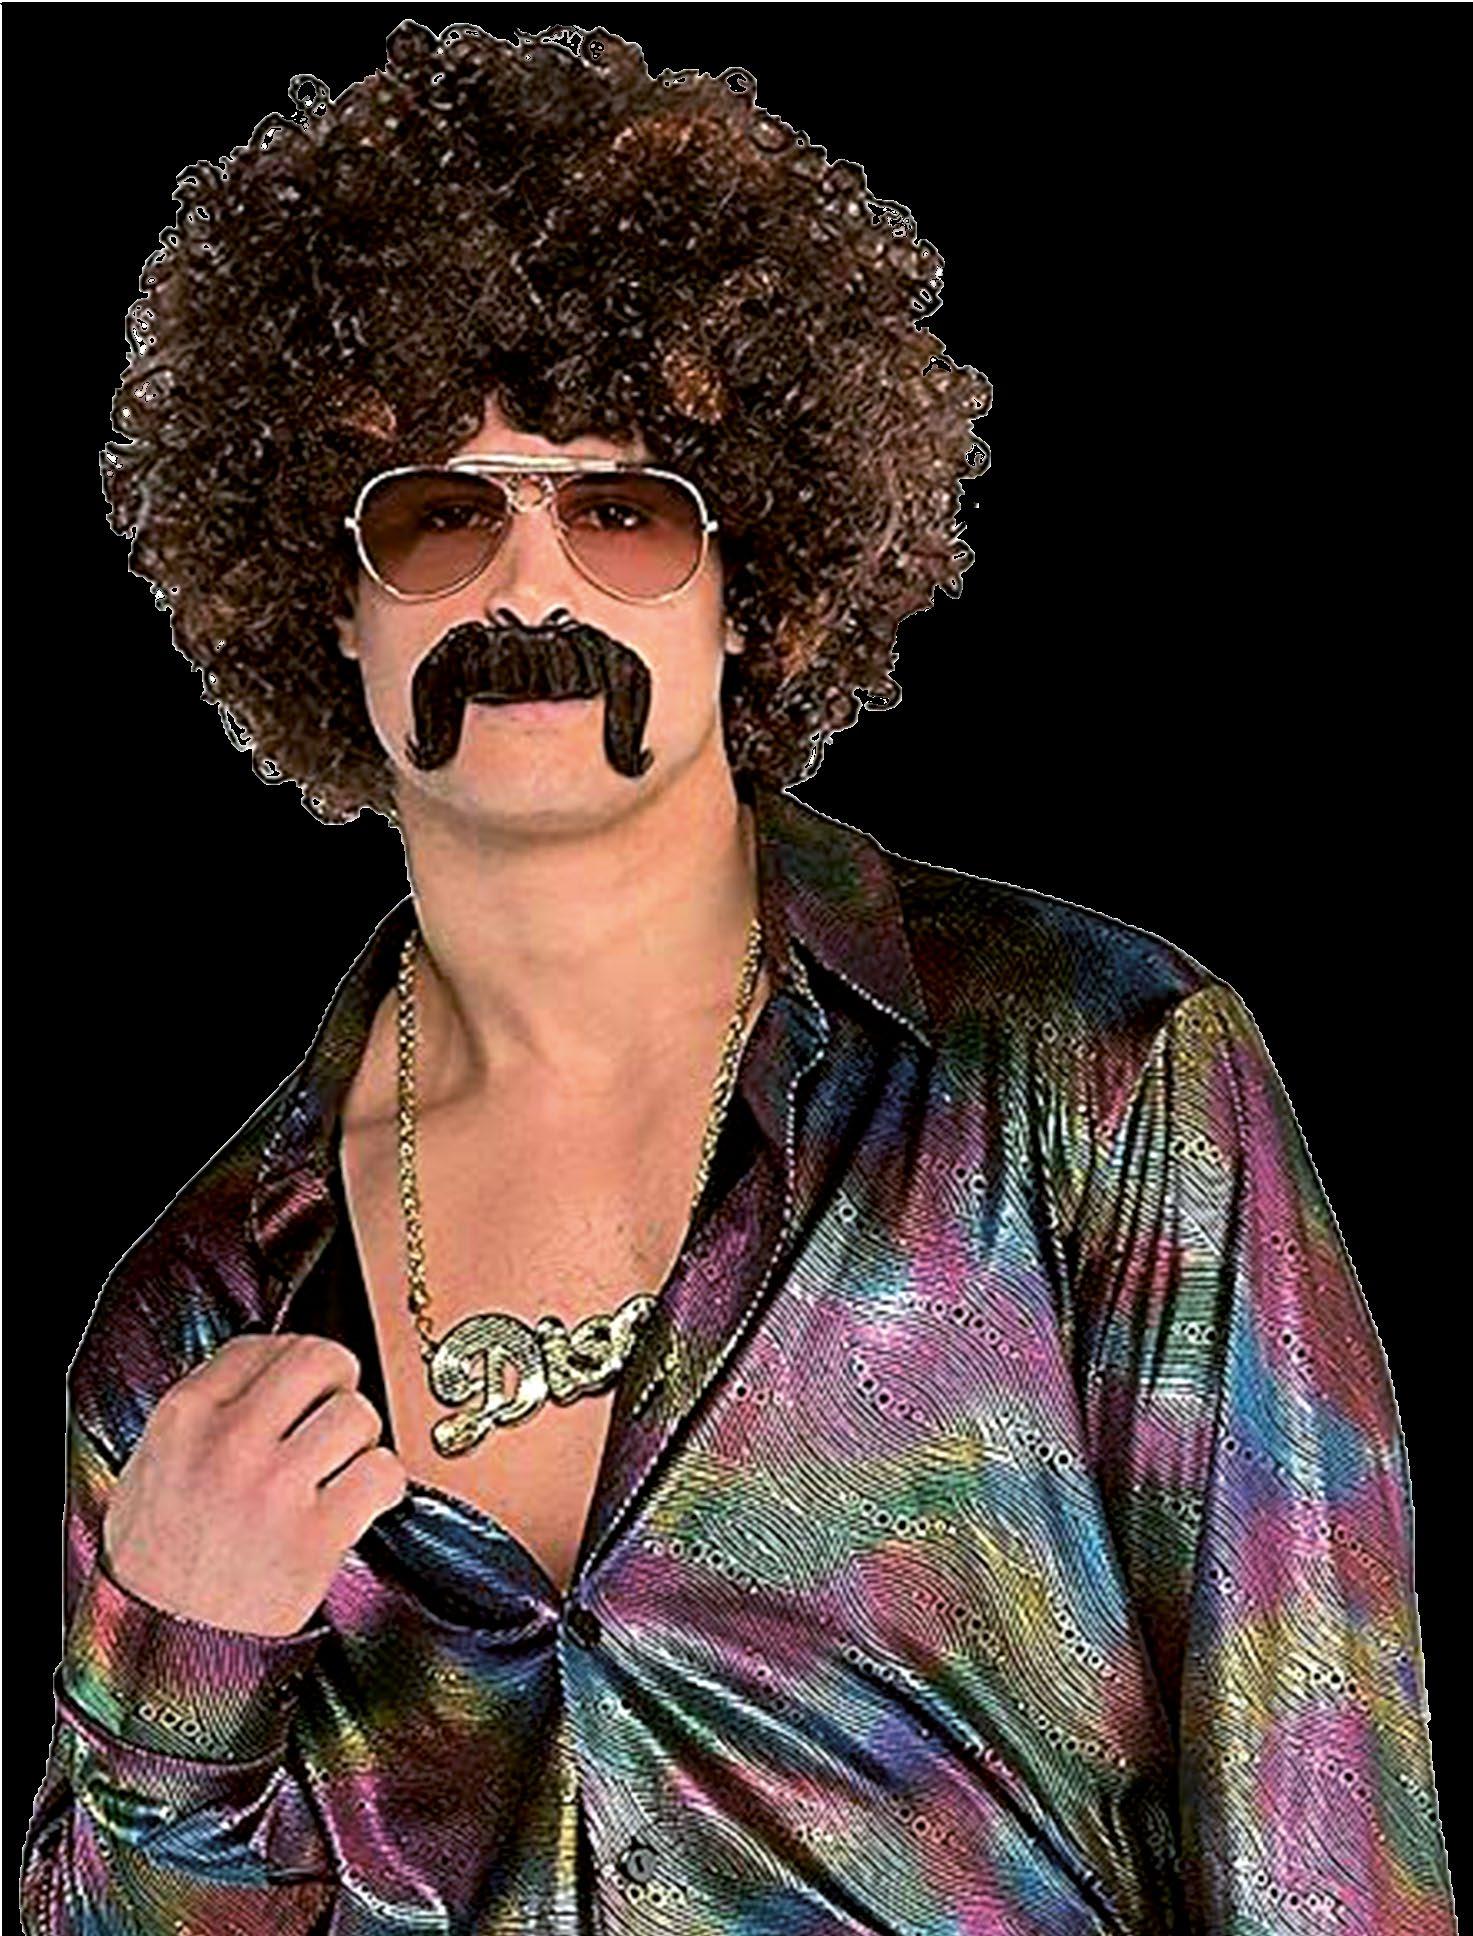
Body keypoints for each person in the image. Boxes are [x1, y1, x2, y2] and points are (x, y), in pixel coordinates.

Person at [21, 23, 1454, 1936]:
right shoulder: (198, 1318)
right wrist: (173, 1679)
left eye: (623, 512)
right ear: (325, 600)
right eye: (439, 514)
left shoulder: (1093, 1074)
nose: (528, 586)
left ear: (746, 590)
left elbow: (1322, 1832)